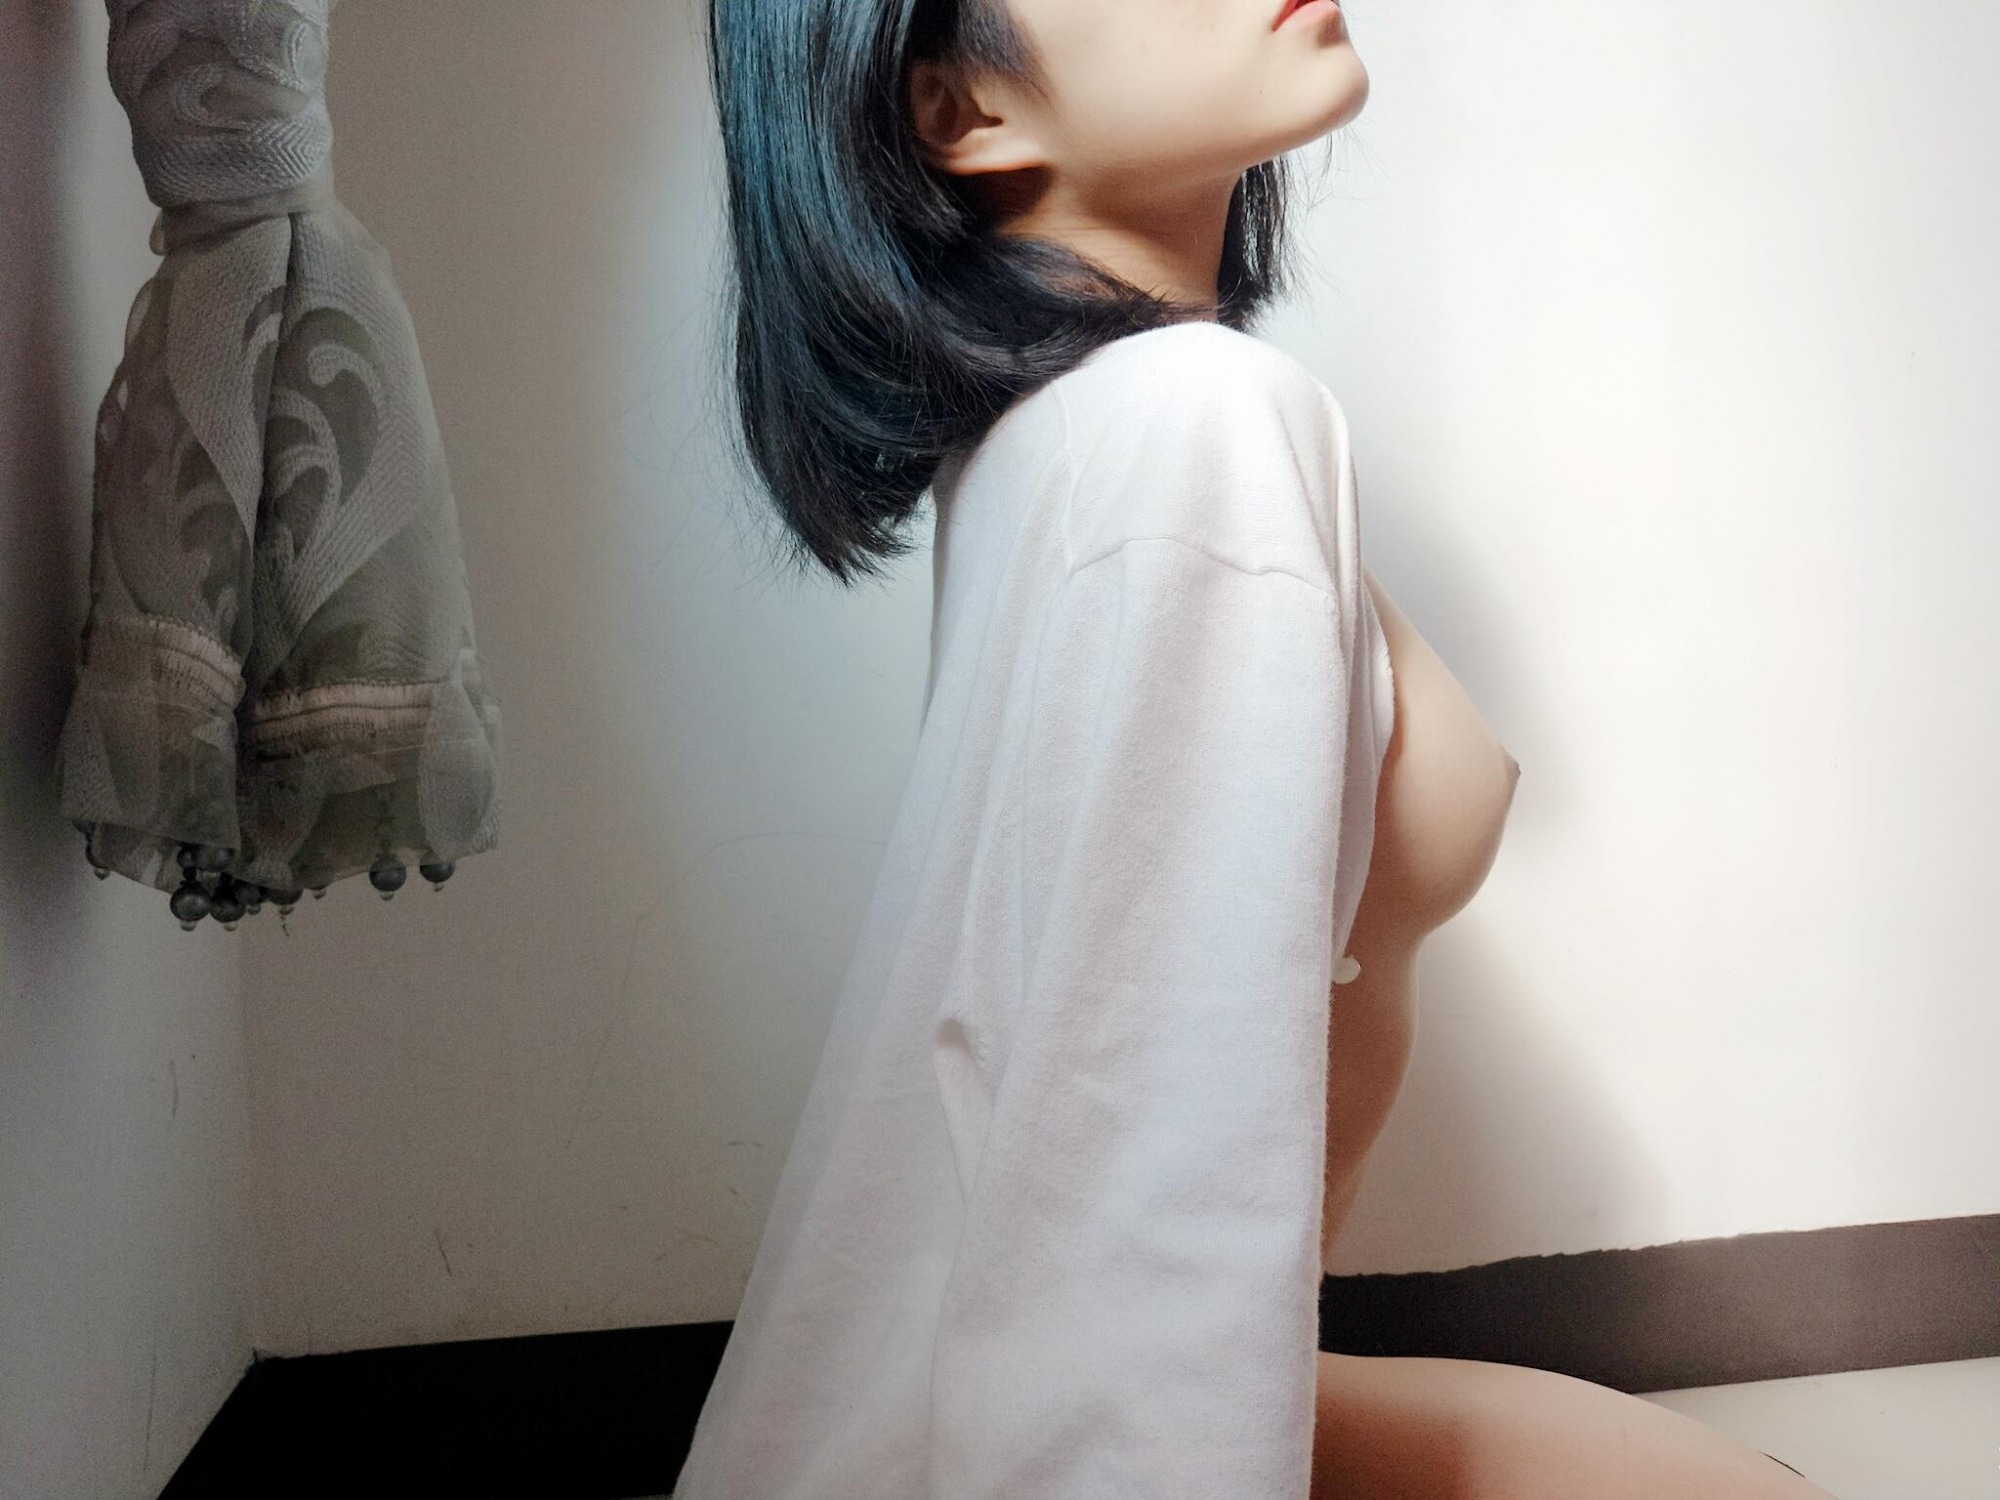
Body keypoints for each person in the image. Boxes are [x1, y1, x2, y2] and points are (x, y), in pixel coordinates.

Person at [677, 2, 1837, 1496]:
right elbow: (1126, 1219)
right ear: (961, 112)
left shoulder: (1082, 430)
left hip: (1089, 1397)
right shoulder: (1188, 426)